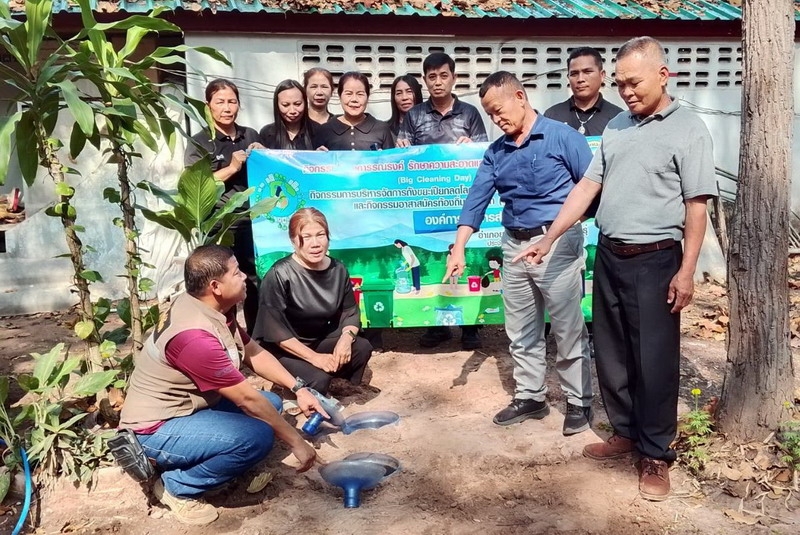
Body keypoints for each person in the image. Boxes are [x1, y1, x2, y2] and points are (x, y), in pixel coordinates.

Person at [515, 37, 717, 501]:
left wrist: (687, 270)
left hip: (657, 260)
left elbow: (696, 205)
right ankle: (625, 432)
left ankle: (655, 452)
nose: (626, 92)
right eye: (621, 83)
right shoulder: (617, 126)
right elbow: (587, 187)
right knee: (611, 352)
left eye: (634, 83)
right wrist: (549, 237)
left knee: (654, 361)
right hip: (609, 254)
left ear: (663, 76)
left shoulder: (689, 129)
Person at [119, 245, 326, 526]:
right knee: (257, 436)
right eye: (237, 273)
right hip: (156, 428)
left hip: (188, 408)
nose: (244, 277)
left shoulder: (209, 308)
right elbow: (247, 400)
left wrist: (298, 388)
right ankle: (176, 486)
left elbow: (252, 352)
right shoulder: (194, 338)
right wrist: (297, 442)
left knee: (273, 404)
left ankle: (216, 459)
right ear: (215, 286)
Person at [443, 71, 594, 435]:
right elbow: (476, 199)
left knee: (567, 327)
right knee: (521, 328)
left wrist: (560, 233)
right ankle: (531, 397)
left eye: (499, 110)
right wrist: (459, 246)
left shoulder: (564, 138)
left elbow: (591, 191)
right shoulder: (496, 152)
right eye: (489, 114)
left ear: (520, 97)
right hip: (514, 245)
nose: (496, 119)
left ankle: (579, 401)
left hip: (557, 243)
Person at [396, 52, 488, 350]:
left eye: (443, 76)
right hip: (426, 202)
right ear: (425, 80)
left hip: (463, 201)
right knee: (433, 258)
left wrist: (471, 146)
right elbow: (403, 157)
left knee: (467, 258)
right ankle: (437, 325)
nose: (438, 82)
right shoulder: (414, 115)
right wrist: (402, 149)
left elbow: (484, 154)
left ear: (454, 78)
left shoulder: (470, 113)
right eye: (432, 77)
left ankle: (471, 326)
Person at [253, 208, 373, 395]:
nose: (315, 244)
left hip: (318, 340)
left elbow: (350, 312)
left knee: (361, 348)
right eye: (306, 237)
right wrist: (315, 358)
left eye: (320, 235)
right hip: (284, 348)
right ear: (293, 241)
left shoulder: (338, 269)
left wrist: (345, 339)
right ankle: (289, 385)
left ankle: (335, 383)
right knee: (318, 380)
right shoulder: (279, 274)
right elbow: (275, 333)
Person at [184, 78, 263, 332]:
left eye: (232, 101)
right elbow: (195, 184)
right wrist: (231, 168)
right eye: (220, 102)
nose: (227, 108)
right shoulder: (200, 141)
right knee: (219, 286)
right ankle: (220, 337)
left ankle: (255, 338)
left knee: (254, 283)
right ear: (208, 105)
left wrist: (263, 153)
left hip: (252, 221)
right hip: (219, 225)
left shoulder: (250, 134)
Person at [544, 47, 624, 137]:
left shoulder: (617, 117)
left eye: (587, 72)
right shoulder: (552, 116)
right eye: (574, 74)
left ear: (602, 75)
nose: (580, 79)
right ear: (568, 78)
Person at [313, 71, 393, 151]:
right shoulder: (325, 130)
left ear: (368, 97)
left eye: (360, 94)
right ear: (340, 96)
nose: (354, 99)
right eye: (348, 94)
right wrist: (318, 156)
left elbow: (393, 158)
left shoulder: (382, 129)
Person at [260, 79, 315, 150]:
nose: (292, 111)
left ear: (305, 103)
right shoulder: (267, 133)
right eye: (285, 105)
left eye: (297, 104)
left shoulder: (318, 132)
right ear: (277, 105)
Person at [388, 74, 423, 139]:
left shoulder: (429, 126)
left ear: (417, 94)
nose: (404, 97)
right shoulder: (385, 130)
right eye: (399, 93)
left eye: (409, 92)